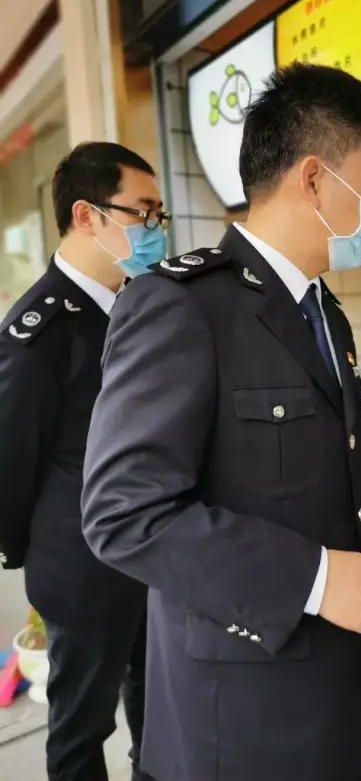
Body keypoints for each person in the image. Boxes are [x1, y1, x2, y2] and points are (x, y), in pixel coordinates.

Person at [81, 65, 361, 781]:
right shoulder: (183, 307)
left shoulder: (320, 308)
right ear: (316, 179)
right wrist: (316, 577)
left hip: (344, 707)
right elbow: (121, 511)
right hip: (242, 726)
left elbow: (325, 448)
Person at [0, 141, 169, 781]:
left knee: (159, 710)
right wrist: (30, 553)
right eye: (141, 213)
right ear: (86, 215)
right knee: (82, 731)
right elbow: (11, 462)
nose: (154, 229)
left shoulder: (135, 304)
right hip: (82, 565)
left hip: (152, 552)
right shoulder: (37, 329)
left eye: (160, 216)